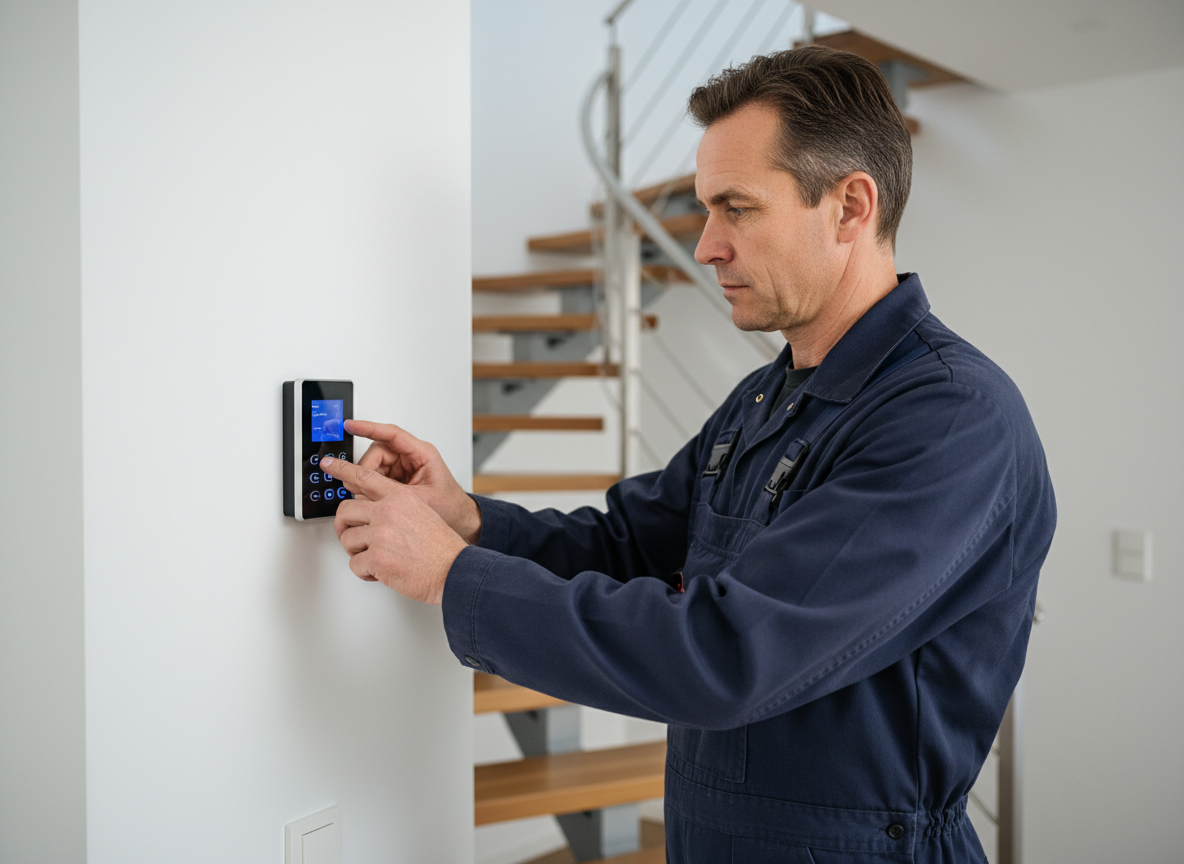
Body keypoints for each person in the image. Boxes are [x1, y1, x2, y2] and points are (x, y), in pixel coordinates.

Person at [320, 46, 1056, 864]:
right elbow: (627, 547)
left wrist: (452, 575)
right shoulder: (764, 399)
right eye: (705, 210)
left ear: (849, 207)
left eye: (735, 208)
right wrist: (467, 520)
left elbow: (728, 655)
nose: (705, 246)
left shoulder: (950, 419)